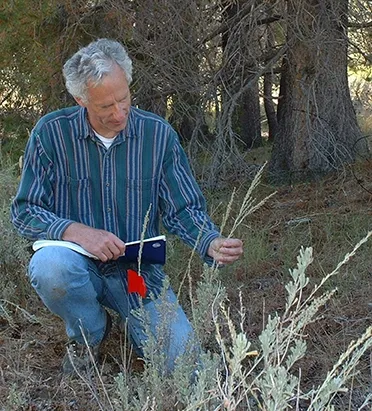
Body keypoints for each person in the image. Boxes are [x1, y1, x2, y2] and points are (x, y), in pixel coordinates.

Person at [11, 38, 243, 375]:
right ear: (81, 100)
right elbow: (25, 210)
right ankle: (89, 335)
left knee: (186, 368)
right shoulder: (52, 134)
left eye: (124, 99)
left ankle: (138, 329)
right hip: (78, 266)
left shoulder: (157, 136)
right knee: (52, 268)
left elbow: (182, 208)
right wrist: (77, 232)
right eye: (106, 107)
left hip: (137, 274)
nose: (119, 113)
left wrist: (209, 241)